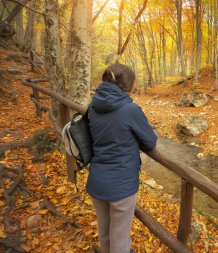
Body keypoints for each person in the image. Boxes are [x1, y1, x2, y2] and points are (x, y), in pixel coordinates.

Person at [87, 63, 157, 253]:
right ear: (130, 87)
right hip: (121, 185)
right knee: (119, 238)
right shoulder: (130, 110)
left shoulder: (93, 106)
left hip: (96, 180)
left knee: (104, 231)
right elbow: (150, 142)